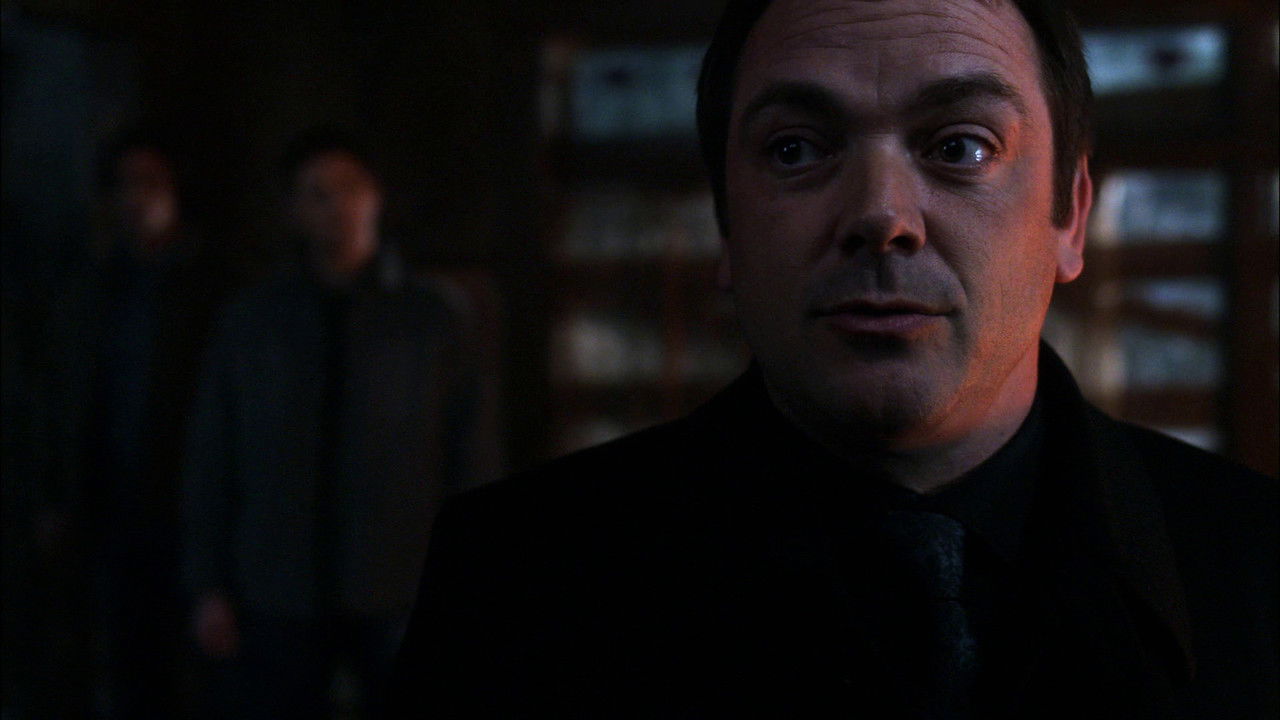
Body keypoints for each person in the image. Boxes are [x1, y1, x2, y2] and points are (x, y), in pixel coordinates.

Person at [389, 0, 1278, 717]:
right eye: (796, 150)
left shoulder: (1256, 568)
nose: (880, 214)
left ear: (1071, 215)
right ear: (726, 223)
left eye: (960, 146)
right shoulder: (515, 581)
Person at [182, 129, 481, 718]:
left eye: (350, 188)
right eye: (317, 193)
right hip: (279, 583)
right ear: (294, 210)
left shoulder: (431, 318)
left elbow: (468, 450)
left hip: (400, 579)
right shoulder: (253, 322)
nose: (337, 206)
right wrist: (209, 583)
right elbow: (214, 456)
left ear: (376, 197)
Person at [85, 129, 241, 718]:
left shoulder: (212, 287)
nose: (136, 197)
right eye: (125, 184)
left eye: (149, 182)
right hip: (119, 509)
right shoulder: (101, 286)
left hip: (195, 507)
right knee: (131, 666)